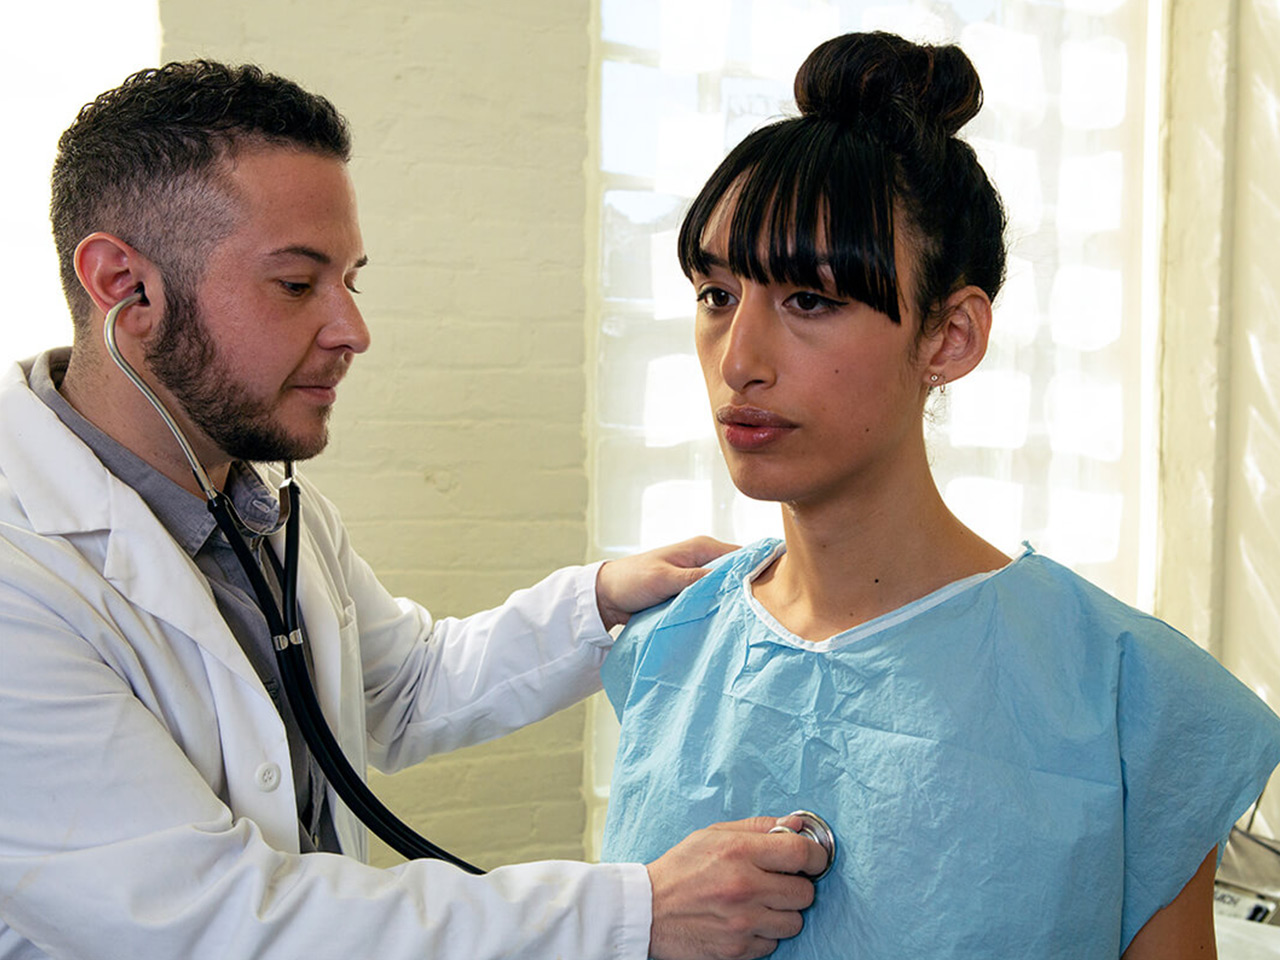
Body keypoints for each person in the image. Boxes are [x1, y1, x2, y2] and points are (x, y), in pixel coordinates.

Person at [0, 61, 831, 960]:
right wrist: (635, 914)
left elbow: (396, 689)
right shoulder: (23, 572)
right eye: (296, 283)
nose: (352, 329)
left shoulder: (266, 507)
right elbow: (215, 921)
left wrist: (598, 601)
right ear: (126, 285)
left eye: (352, 278)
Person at [598, 30, 1280, 959]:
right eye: (717, 294)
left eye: (809, 299)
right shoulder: (668, 648)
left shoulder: (1133, 700)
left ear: (949, 337)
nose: (741, 362)